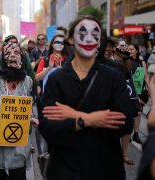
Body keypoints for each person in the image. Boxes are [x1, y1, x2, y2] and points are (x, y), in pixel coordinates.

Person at [39, 15, 134, 180]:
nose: (89, 38)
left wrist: (73, 116)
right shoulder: (57, 79)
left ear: (99, 41)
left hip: (106, 168)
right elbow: (48, 127)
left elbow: (125, 123)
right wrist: (88, 120)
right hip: (66, 169)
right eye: (82, 33)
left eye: (95, 34)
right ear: (70, 39)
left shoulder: (114, 77)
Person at [0, 42, 32, 180]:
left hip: (17, 140)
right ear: (3, 58)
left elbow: (24, 108)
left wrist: (31, 118)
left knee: (18, 176)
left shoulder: (27, 81)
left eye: (16, 53)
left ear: (22, 57)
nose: (13, 56)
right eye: (8, 53)